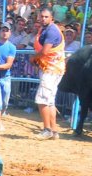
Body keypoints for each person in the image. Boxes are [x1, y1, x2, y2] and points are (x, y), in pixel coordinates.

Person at [30, 8, 65, 140]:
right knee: (50, 101)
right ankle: (54, 130)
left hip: (51, 69)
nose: (43, 19)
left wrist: (33, 58)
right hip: (52, 68)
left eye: (46, 17)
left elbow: (45, 51)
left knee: (42, 99)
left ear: (52, 18)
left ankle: (47, 129)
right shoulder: (47, 29)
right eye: (42, 17)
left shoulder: (51, 31)